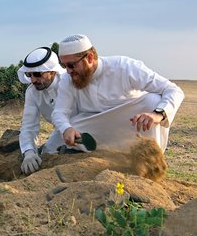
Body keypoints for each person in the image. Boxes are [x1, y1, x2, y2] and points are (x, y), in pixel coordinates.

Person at [52, 34, 184, 152]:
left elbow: (173, 90)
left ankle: (150, 156)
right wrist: (66, 128)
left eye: (71, 65)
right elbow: (59, 112)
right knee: (70, 126)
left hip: (130, 124)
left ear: (90, 58)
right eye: (64, 66)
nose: (68, 71)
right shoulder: (67, 79)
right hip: (96, 124)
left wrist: (158, 114)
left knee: (153, 101)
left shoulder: (124, 66)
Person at [17, 46, 68, 175]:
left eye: (38, 74)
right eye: (30, 74)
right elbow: (29, 126)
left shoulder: (69, 83)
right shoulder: (32, 92)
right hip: (61, 133)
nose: (33, 80)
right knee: (45, 155)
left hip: (85, 128)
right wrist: (28, 152)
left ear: (52, 71)